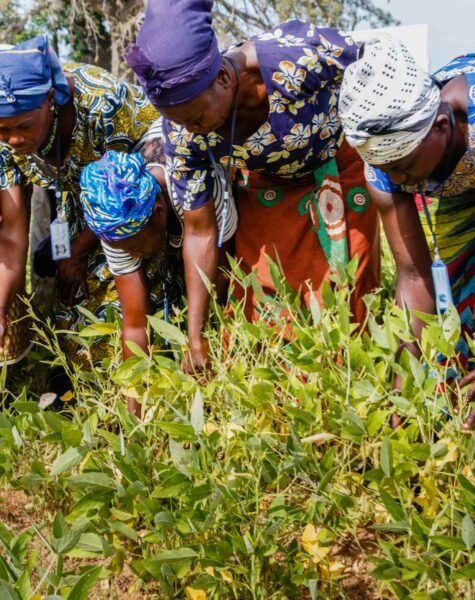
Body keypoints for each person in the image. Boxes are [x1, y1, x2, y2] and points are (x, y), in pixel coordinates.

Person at [125, 0, 380, 373]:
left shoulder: (294, 58)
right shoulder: (182, 134)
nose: (191, 130)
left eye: (196, 118)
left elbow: (375, 68)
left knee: (347, 293)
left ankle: (352, 392)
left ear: (225, 79)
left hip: (338, 171)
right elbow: (199, 231)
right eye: (179, 122)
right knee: (264, 304)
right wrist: (195, 334)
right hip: (267, 191)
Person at [338, 34, 475, 429]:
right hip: (457, 184)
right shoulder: (387, 164)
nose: (400, 181)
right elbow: (414, 275)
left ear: (442, 125)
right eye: (389, 171)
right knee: (459, 315)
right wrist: (404, 391)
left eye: (407, 166)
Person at [0, 34, 158, 368]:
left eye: (23, 126)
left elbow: (120, 197)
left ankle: (140, 382)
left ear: (50, 101)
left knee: (126, 303)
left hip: (137, 196)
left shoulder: (102, 104)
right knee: (73, 308)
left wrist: (79, 248)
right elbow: (12, 233)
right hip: (81, 200)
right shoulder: (5, 139)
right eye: (2, 130)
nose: (14, 139)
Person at [79, 125, 237, 414]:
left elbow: (221, 276)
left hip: (226, 170)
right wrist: (134, 406)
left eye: (136, 248)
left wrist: (198, 338)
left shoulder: (197, 187)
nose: (135, 256)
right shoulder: (116, 221)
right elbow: (135, 323)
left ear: (159, 213)